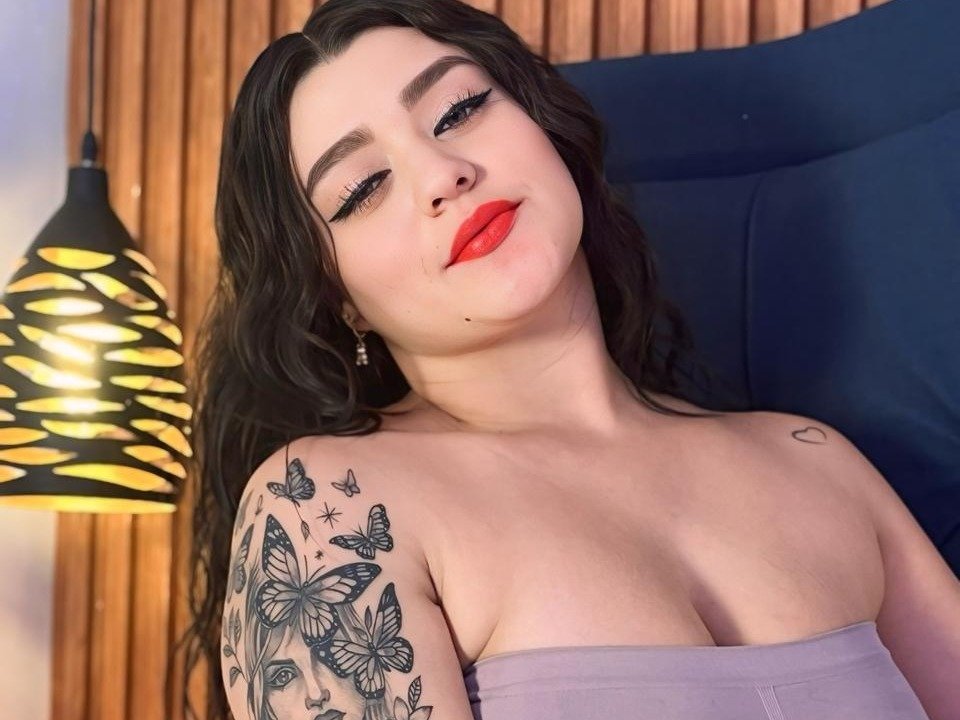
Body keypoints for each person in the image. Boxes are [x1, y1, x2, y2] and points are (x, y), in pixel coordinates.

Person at [184, 1, 960, 719]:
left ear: (546, 129)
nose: (442, 174)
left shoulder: (816, 462)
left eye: (458, 111)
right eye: (363, 189)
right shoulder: (327, 512)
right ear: (336, 297)